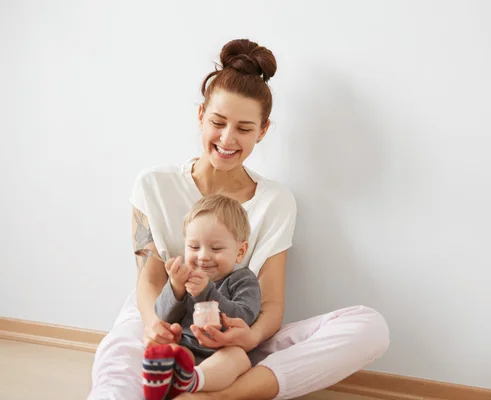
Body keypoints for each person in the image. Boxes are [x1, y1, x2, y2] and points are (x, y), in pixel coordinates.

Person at [88, 38, 389, 400]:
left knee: (371, 327)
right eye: (218, 122)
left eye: (244, 129)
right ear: (201, 116)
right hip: (161, 321)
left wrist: (249, 337)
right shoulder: (154, 184)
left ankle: (215, 395)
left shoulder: (276, 201)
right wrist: (155, 327)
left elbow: (271, 303)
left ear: (262, 131)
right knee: (120, 355)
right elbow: (149, 280)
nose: (227, 139)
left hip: (234, 340)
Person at [143, 194, 261, 399]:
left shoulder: (243, 279)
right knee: (167, 350)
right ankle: (165, 382)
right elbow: (161, 316)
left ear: (240, 251)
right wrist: (175, 287)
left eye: (216, 248)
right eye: (194, 247)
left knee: (239, 358)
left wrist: (206, 292)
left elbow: (244, 316)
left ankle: (191, 380)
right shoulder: (184, 278)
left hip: (223, 352)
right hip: (186, 348)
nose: (203, 256)